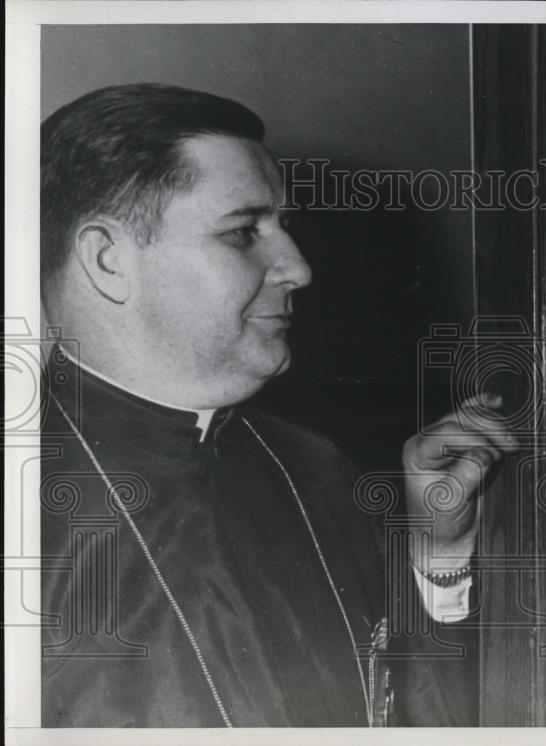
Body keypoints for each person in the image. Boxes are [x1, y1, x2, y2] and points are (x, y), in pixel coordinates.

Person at [38, 83, 512, 727]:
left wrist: (436, 554)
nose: (297, 266)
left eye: (283, 227)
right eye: (242, 233)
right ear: (107, 260)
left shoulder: (318, 469)